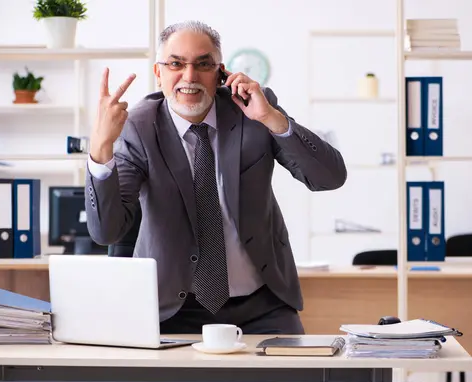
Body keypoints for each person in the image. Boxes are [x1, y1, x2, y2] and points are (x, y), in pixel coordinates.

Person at [85, 20, 347, 334]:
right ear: (159, 73)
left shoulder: (252, 112)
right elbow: (106, 231)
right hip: (172, 309)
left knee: (297, 380)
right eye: (176, 64)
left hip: (262, 306)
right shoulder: (139, 127)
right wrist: (101, 147)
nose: (190, 76)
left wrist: (271, 119)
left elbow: (329, 177)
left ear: (220, 73)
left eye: (203, 64)